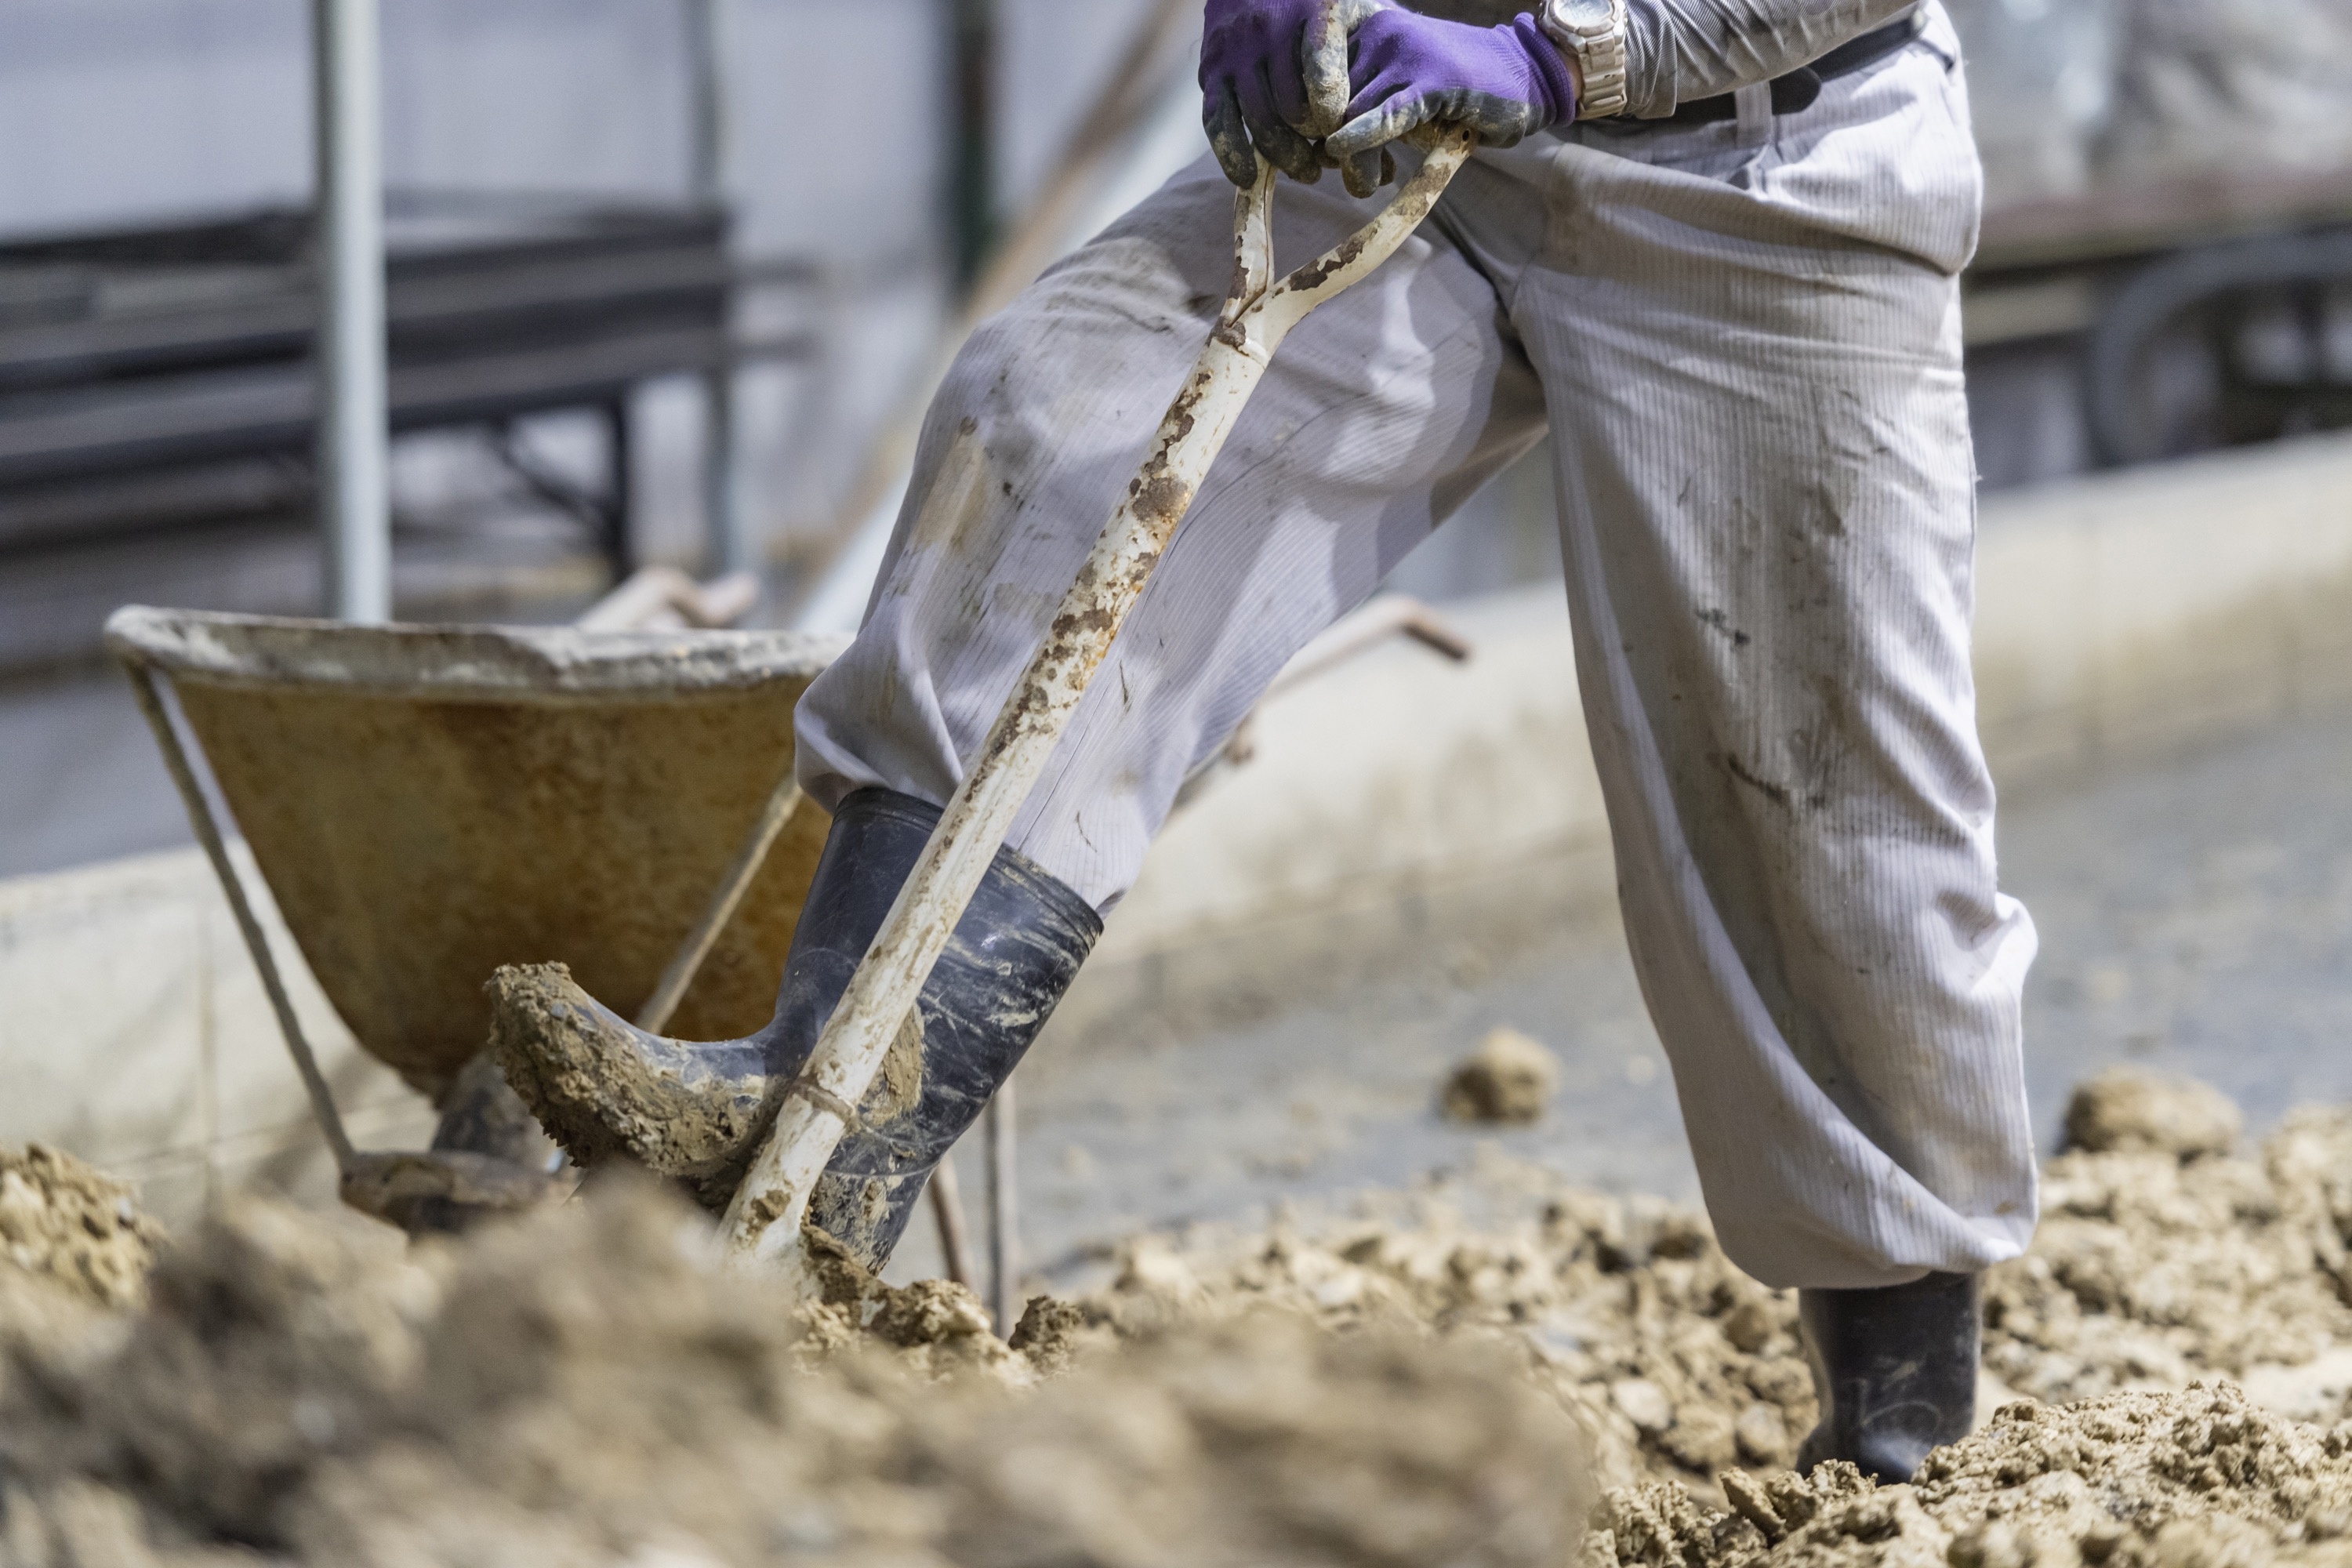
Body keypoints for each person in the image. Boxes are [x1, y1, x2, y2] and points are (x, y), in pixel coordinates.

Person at [491, 0, 2038, 1483]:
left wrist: (1575, 58)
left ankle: (1901, 1422)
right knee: (1056, 422)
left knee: (1823, 810)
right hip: (1421, 135)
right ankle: (813, 1156)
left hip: (1759, 166)